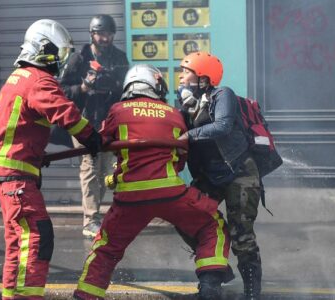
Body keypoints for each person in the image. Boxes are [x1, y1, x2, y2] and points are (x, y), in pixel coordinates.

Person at [73, 64, 234, 300]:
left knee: (106, 248)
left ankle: (85, 295)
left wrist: (117, 177)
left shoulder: (118, 111)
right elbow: (179, 160)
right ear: (155, 84)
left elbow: (104, 142)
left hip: (130, 198)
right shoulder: (173, 113)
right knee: (213, 225)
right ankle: (210, 288)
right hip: (170, 193)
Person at [0, 19, 101, 300]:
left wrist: (36, 155)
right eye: (59, 54)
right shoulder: (38, 79)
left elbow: (23, 126)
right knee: (38, 236)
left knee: (17, 242)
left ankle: (11, 295)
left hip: (8, 171)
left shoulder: (17, 77)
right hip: (16, 174)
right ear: (43, 49)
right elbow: (64, 112)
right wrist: (92, 138)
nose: (61, 62)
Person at [177, 51, 263, 300]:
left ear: (202, 75)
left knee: (242, 235)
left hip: (239, 172)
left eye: (185, 71)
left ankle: (252, 293)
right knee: (186, 217)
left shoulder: (222, 94)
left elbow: (223, 125)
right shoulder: (186, 104)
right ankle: (219, 269)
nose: (180, 76)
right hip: (209, 176)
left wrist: (189, 135)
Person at [60, 14, 129, 238]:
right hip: (84, 121)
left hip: (109, 122)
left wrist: (113, 84)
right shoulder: (78, 58)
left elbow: (126, 90)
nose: (105, 38)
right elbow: (61, 92)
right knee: (90, 167)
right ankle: (90, 220)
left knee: (109, 169)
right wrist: (82, 87)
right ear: (92, 34)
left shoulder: (119, 58)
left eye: (109, 34)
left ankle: (114, 215)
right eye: (100, 34)